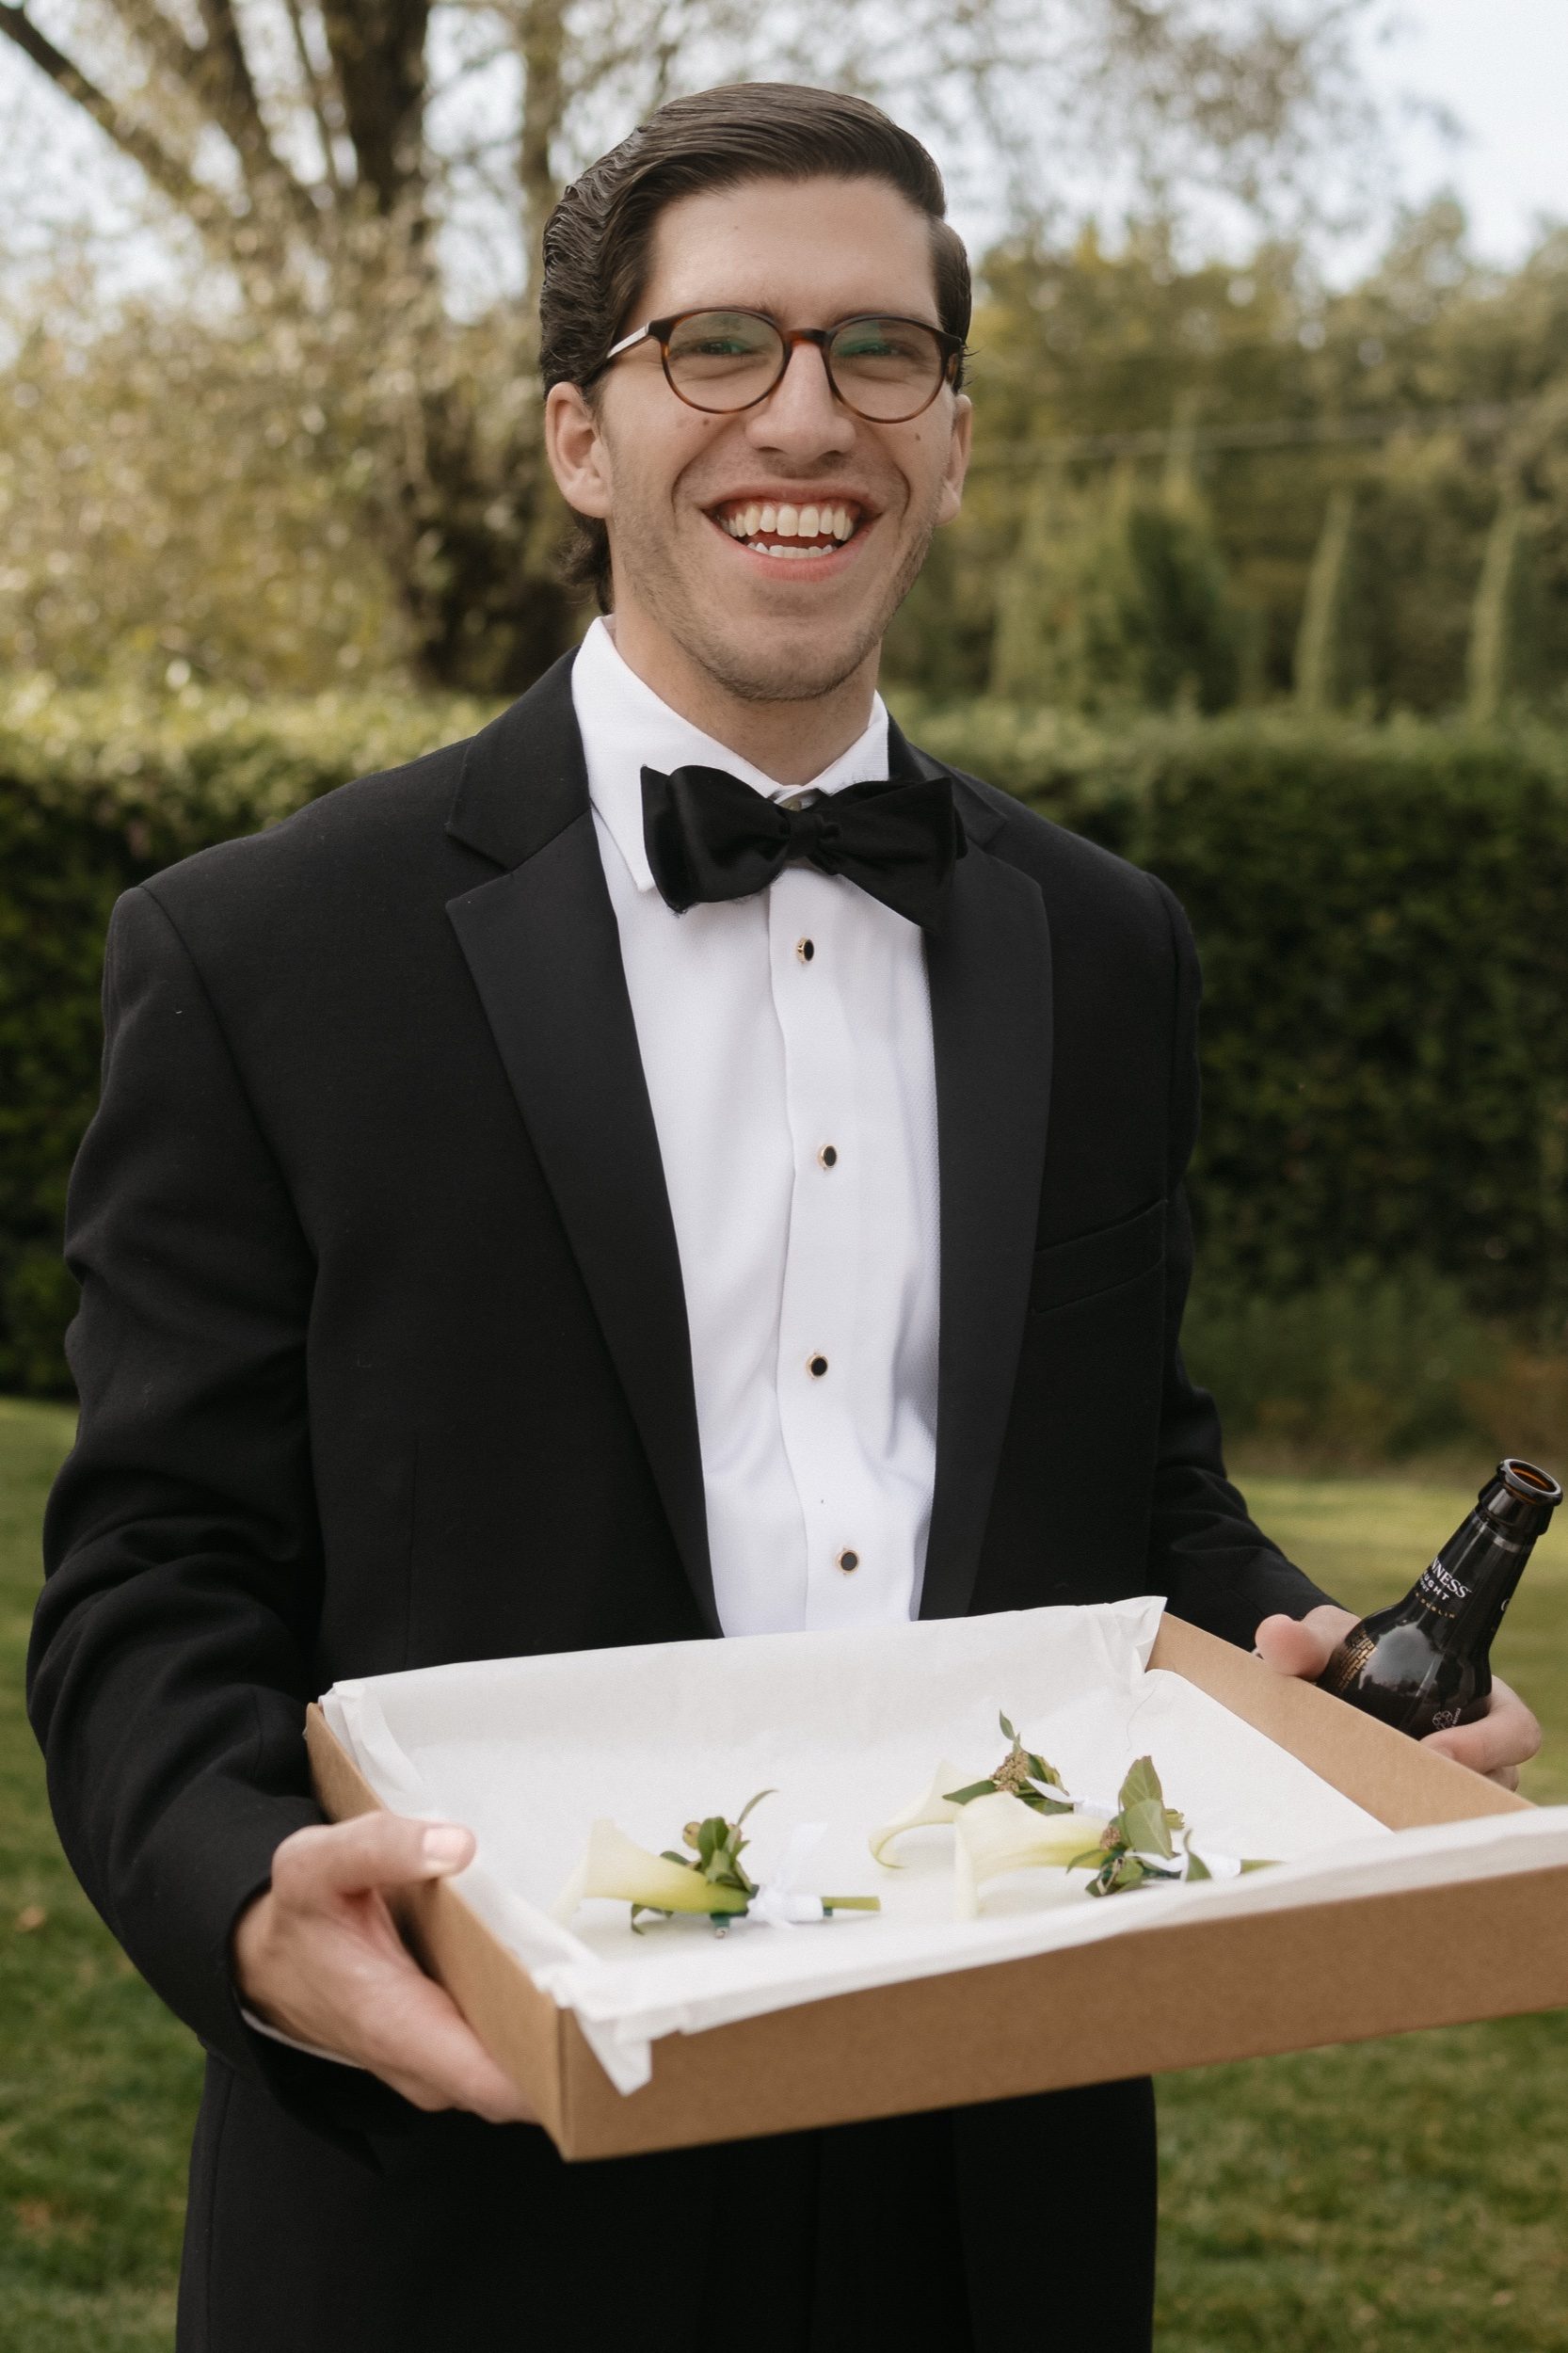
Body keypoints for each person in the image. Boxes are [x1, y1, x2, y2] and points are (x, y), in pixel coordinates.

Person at [29, 80, 1538, 2353]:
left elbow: (1132, 1482)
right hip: (471, 2183)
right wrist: (243, 1895)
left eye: (879, 353)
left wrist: (1291, 1666)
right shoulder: (263, 952)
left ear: (947, 436)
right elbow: (151, 1575)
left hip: (993, 2189)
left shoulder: (1105, 943)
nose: (802, 417)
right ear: (579, 434)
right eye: (714, 349)